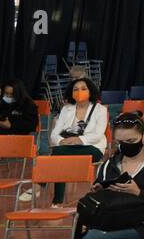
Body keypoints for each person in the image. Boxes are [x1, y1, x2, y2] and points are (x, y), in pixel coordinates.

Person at [46, 77, 109, 206]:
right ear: (71, 93)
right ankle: (57, 200)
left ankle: (50, 192)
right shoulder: (66, 109)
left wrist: (78, 139)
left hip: (93, 147)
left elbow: (98, 135)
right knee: (59, 157)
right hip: (67, 146)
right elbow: (54, 133)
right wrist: (61, 141)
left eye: (83, 89)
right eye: (76, 89)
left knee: (57, 156)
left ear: (90, 91)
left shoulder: (100, 109)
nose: (79, 91)